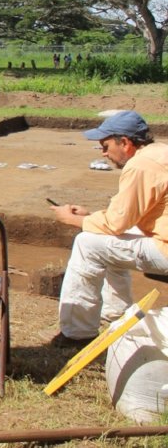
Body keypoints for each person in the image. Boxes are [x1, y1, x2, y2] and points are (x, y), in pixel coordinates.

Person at [50, 111, 168, 344]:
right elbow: (124, 217)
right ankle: (117, 317)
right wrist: (93, 216)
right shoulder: (160, 152)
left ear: (124, 142)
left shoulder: (140, 166)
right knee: (106, 238)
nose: (104, 153)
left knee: (87, 243)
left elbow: (115, 223)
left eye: (105, 146)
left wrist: (74, 220)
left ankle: (76, 334)